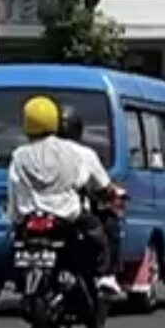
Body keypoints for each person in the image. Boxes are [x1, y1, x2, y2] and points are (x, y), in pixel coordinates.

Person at [8, 95, 123, 297]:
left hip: (30, 215)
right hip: (67, 213)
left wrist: (16, 217)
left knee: (15, 242)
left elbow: (14, 187)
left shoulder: (19, 154)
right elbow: (100, 185)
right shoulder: (77, 152)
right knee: (100, 230)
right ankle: (106, 275)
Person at [60, 112, 124, 277]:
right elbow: (104, 186)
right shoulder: (85, 154)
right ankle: (106, 274)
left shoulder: (37, 152)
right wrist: (115, 193)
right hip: (72, 213)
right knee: (108, 226)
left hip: (35, 210)